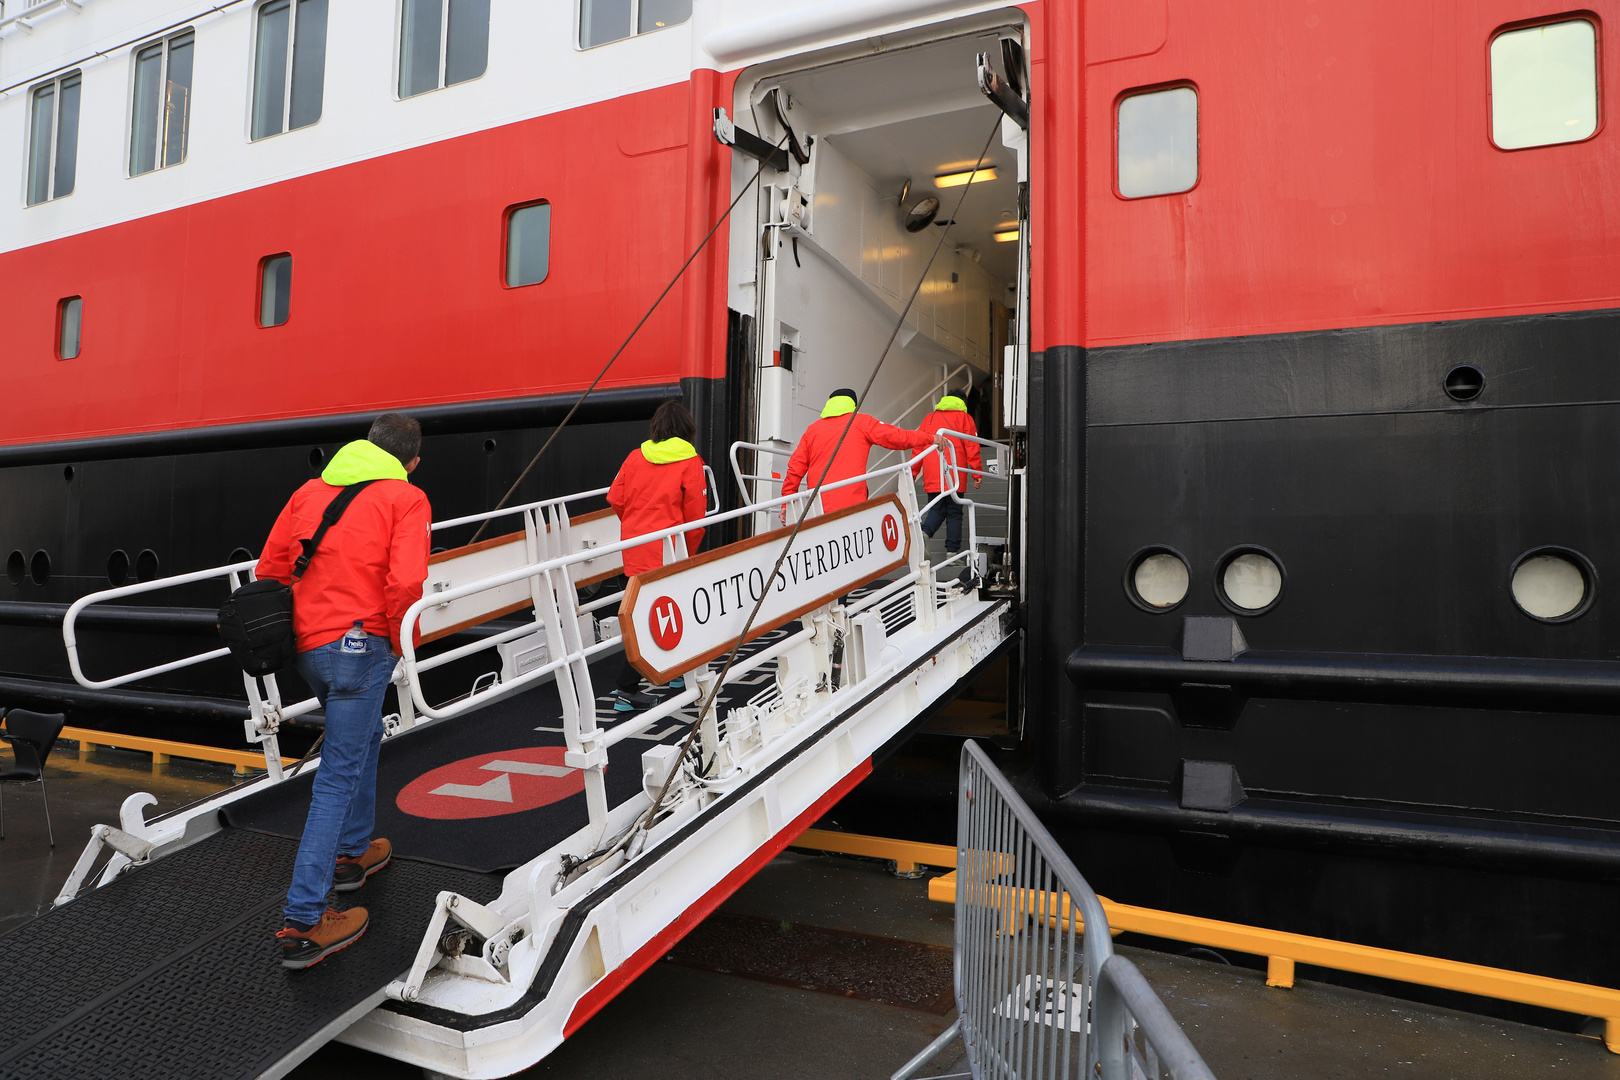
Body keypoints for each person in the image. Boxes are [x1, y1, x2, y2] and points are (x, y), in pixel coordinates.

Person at [255, 413, 431, 969]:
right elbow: (405, 581)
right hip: (364, 648)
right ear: (412, 462)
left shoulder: (309, 492)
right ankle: (306, 921)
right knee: (336, 777)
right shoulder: (407, 500)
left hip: (310, 651)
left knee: (361, 743)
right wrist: (403, 639)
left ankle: (355, 852)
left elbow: (270, 568)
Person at [606, 400, 707, 713]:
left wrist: (636, 527)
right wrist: (686, 552)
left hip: (636, 549)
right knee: (665, 614)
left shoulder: (636, 457)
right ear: (686, 429)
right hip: (669, 551)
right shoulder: (690, 462)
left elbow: (615, 498)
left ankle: (673, 673)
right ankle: (626, 689)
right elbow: (695, 517)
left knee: (642, 614)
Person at [780, 388, 937, 523]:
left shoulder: (812, 430)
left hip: (817, 509)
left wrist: (786, 505)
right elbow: (899, 438)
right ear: (854, 404)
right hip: (852, 507)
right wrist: (931, 438)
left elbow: (795, 468)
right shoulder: (861, 422)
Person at [912, 393, 983, 555]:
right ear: (962, 402)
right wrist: (977, 472)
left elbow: (918, 447)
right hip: (954, 472)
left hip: (932, 471)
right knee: (954, 512)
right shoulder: (964, 418)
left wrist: (913, 471)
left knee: (936, 508)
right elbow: (972, 445)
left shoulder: (929, 418)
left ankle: (925, 533)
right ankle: (952, 552)